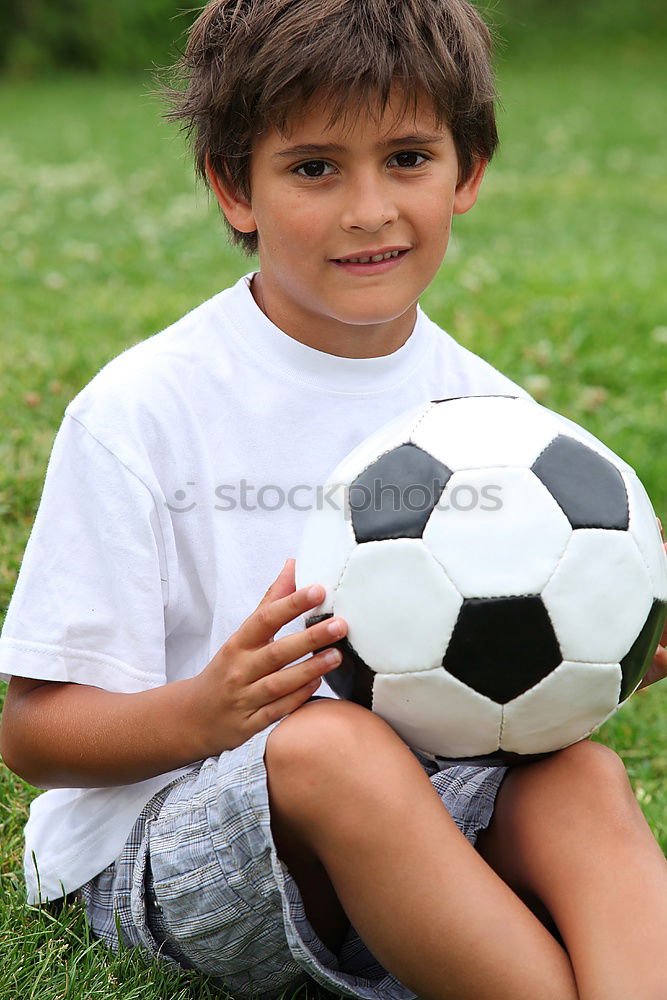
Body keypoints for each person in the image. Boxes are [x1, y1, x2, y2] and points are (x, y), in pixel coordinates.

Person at [1, 1, 666, 997]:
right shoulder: (148, 409)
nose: (368, 209)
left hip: (413, 815)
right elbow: (34, 734)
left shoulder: (495, 422)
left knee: (581, 778)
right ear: (236, 188)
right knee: (329, 746)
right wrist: (207, 709)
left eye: (406, 158)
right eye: (315, 167)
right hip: (161, 843)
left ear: (467, 171)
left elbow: (495, 711)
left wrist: (593, 654)